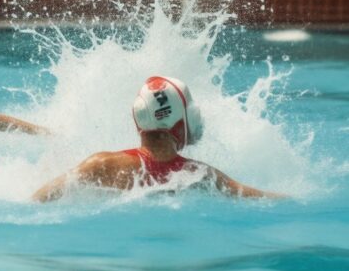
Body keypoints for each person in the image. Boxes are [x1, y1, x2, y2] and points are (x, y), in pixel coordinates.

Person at [32, 76, 286, 202]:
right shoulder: (199, 175)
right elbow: (259, 198)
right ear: (179, 123)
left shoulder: (101, 165)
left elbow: (36, 202)